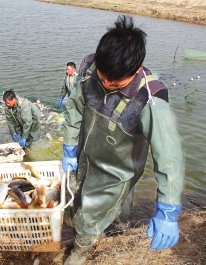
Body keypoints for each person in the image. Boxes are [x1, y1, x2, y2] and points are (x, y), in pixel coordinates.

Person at [62, 15, 184, 265]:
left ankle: (79, 253)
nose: (105, 84)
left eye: (114, 82)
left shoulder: (151, 100)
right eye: (103, 76)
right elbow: (74, 108)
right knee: (74, 202)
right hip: (84, 159)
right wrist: (69, 145)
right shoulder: (91, 72)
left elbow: (169, 158)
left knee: (87, 219)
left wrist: (168, 209)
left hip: (115, 174)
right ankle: (110, 226)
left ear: (136, 68)